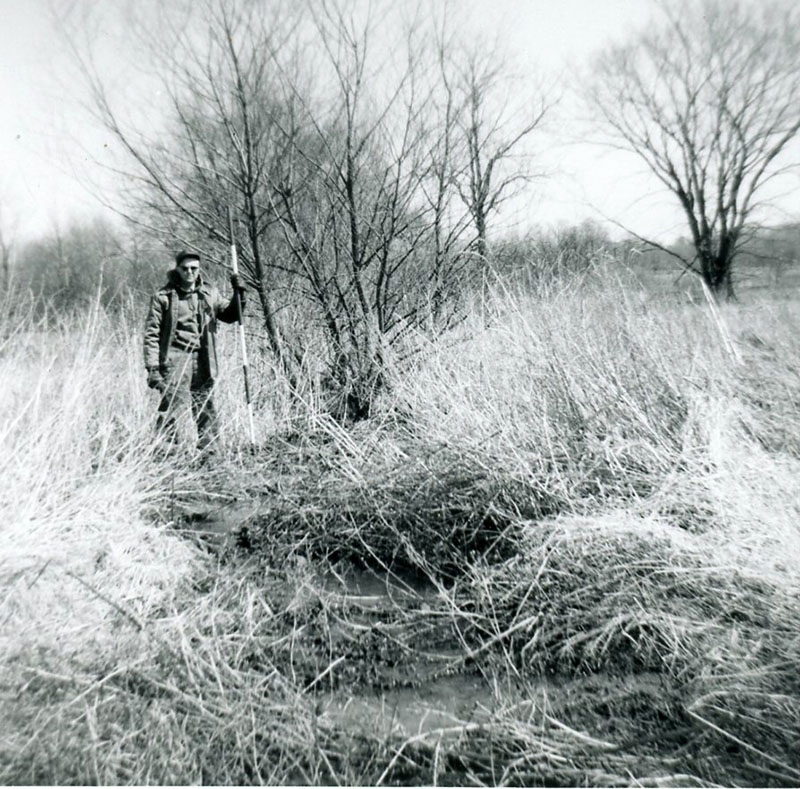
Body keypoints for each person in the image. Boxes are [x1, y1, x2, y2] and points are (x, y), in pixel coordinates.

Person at [143, 249, 245, 452]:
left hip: (204, 357)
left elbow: (231, 315)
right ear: (177, 269)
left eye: (194, 268)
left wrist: (239, 294)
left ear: (199, 270)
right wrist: (153, 367)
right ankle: (166, 451)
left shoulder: (210, 293)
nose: (190, 272)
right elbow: (151, 334)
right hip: (175, 357)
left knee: (205, 403)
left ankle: (210, 451)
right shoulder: (163, 297)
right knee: (172, 404)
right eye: (185, 268)